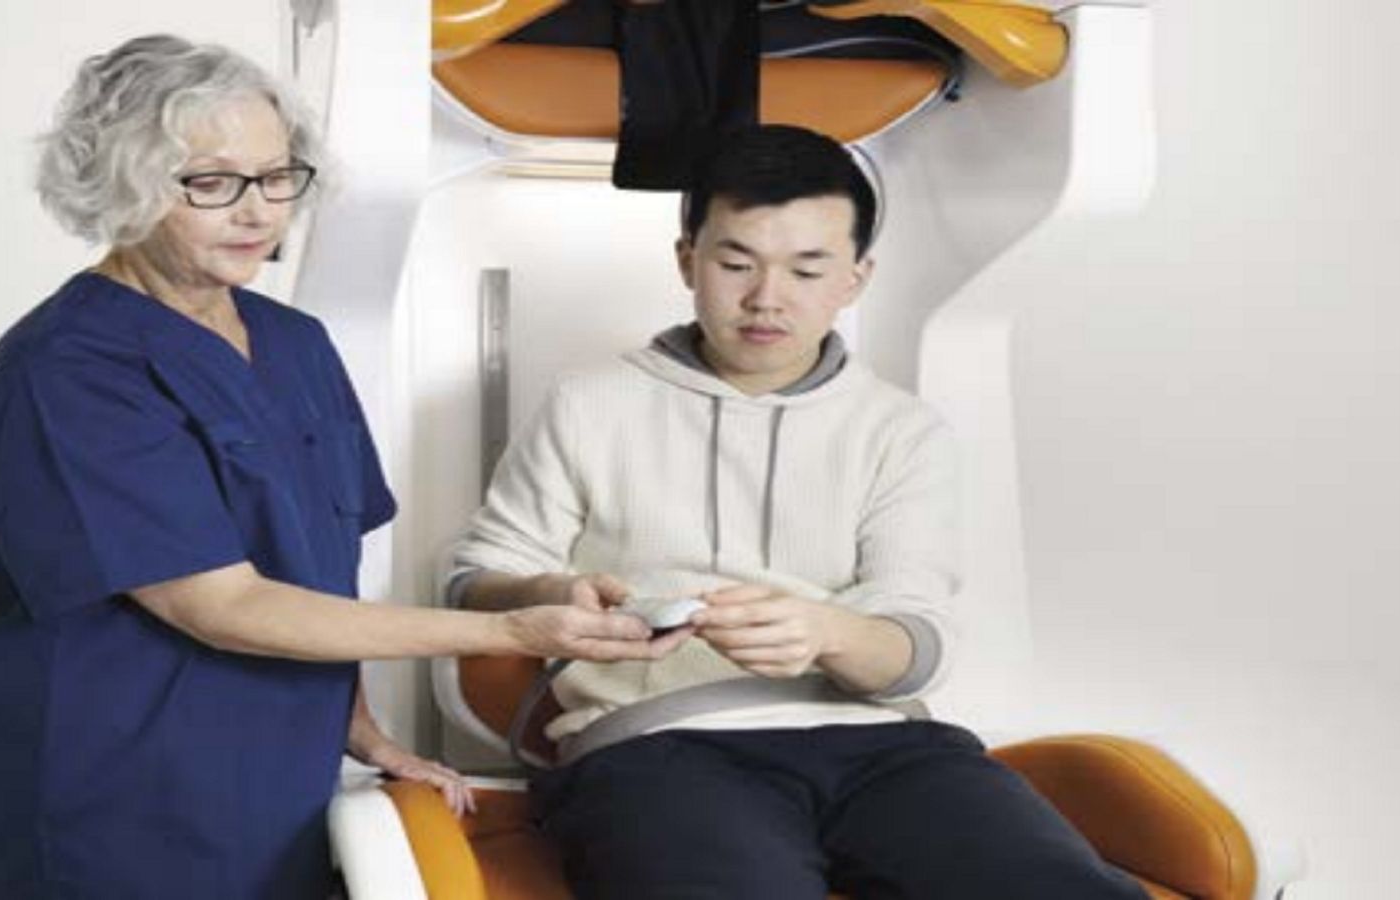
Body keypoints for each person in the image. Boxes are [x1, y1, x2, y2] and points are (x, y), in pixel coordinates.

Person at [0, 35, 676, 900]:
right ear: (121, 182)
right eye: (211, 183)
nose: (258, 212)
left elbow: (317, 582)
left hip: (277, 785)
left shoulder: (294, 344)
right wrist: (510, 634)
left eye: (278, 176)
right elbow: (222, 605)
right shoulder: (62, 373)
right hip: (115, 795)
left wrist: (366, 734)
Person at [446, 125, 1149, 898]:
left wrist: (827, 632)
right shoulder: (590, 404)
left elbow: (919, 643)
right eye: (735, 263)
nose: (766, 299)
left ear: (855, 277)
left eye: (808, 269)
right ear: (688, 261)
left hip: (886, 748)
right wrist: (548, 595)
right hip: (656, 746)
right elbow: (475, 581)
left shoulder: (899, 429)